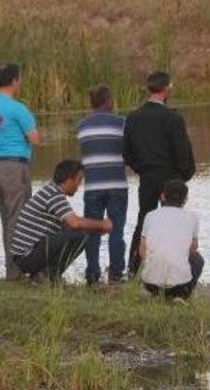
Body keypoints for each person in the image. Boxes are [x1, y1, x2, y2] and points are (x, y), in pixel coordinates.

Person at [123, 71, 195, 276]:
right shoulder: (173, 117)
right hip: (171, 178)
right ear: (166, 89)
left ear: (149, 89)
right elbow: (183, 151)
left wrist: (141, 169)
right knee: (173, 221)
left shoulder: (133, 118)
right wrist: (183, 176)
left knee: (144, 220)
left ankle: (134, 269)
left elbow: (126, 153)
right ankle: (174, 267)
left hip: (147, 177)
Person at [10, 160, 112, 281]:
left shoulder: (51, 191)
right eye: (79, 180)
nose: (79, 185)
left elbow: (68, 226)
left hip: (25, 256)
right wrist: (103, 224)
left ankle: (45, 275)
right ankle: (48, 276)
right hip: (26, 257)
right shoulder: (54, 195)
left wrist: (96, 230)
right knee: (80, 235)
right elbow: (74, 223)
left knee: (80, 233)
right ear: (69, 180)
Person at [0, 63, 40, 279]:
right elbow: (35, 138)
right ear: (14, 81)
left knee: (6, 218)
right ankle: (16, 270)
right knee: (20, 218)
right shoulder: (18, 108)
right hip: (15, 167)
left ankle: (12, 267)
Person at [77, 84, 128, 285]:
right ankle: (116, 273)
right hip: (116, 183)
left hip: (92, 186)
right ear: (108, 101)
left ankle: (92, 273)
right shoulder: (121, 123)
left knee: (92, 230)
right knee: (116, 230)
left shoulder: (82, 125)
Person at [139, 179, 203, 300]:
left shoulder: (150, 216)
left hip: (150, 284)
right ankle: (182, 295)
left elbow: (142, 251)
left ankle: (155, 293)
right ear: (185, 199)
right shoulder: (193, 217)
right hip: (180, 285)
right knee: (198, 259)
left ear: (162, 196)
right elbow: (193, 248)